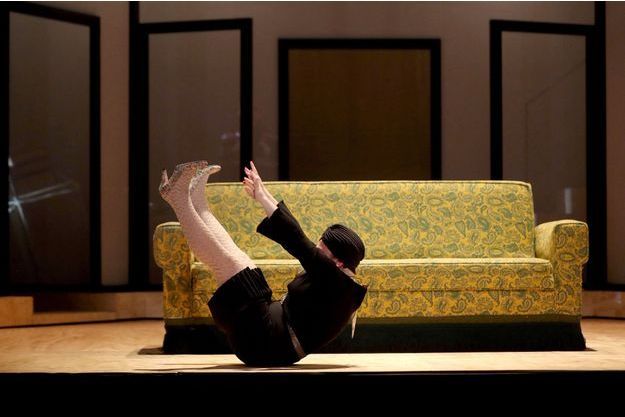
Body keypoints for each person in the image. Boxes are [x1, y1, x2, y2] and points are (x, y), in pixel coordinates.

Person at [158, 160, 367, 366]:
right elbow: (298, 237)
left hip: (266, 344)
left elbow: (299, 241)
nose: (317, 249)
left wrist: (262, 196)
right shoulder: (337, 279)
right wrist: (262, 192)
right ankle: (197, 201)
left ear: (339, 262)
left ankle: (179, 199)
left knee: (228, 261)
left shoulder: (338, 284)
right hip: (267, 329)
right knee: (240, 260)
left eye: (322, 249)